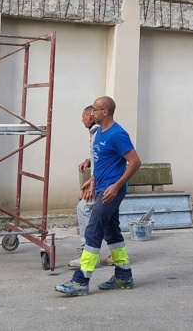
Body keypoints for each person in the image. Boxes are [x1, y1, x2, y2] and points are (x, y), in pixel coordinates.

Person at [55, 96, 141, 296]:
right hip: (101, 186)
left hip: (111, 191)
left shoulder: (118, 134)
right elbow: (101, 161)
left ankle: (81, 281)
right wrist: (92, 180)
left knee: (93, 230)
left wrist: (117, 185)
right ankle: (124, 276)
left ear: (105, 112)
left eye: (95, 109)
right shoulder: (99, 133)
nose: (91, 113)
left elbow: (135, 162)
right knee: (112, 233)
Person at [69, 105, 113, 268]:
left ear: (92, 116)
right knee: (109, 219)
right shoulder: (98, 132)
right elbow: (100, 155)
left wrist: (94, 182)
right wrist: (88, 161)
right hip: (106, 183)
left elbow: (107, 158)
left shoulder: (102, 132)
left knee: (84, 208)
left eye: (84, 116)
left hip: (106, 184)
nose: (82, 120)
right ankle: (116, 254)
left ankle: (87, 253)